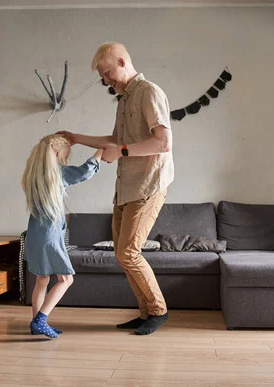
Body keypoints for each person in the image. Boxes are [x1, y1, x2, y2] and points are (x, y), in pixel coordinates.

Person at [59, 42, 174, 335]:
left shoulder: (149, 92)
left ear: (122, 62)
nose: (105, 80)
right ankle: (146, 312)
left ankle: (158, 311)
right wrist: (76, 137)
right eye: (102, 76)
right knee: (123, 254)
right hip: (126, 187)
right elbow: (115, 139)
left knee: (129, 253)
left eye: (107, 73)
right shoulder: (124, 100)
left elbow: (163, 143)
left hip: (148, 185)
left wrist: (121, 152)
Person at [22, 134, 102, 338]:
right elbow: (84, 172)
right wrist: (100, 151)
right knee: (66, 279)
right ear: (56, 154)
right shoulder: (57, 174)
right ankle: (40, 320)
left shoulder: (33, 175)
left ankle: (36, 324)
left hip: (35, 235)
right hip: (49, 236)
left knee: (42, 280)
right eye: (65, 156)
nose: (66, 160)